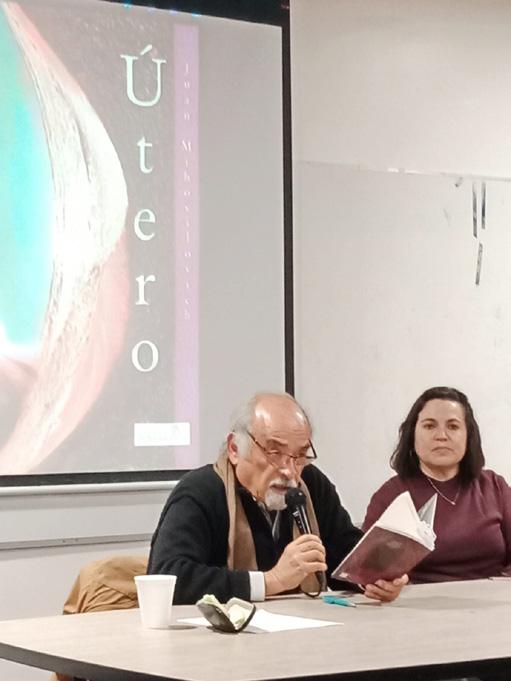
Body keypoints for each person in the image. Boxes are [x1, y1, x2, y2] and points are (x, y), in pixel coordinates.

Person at [148, 392, 407, 603]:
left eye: (300, 455)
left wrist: (376, 578)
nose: (289, 470)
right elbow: (167, 577)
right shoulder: (200, 491)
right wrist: (272, 581)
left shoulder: (311, 485)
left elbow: (345, 557)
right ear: (235, 448)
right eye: (274, 452)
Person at [363, 386, 511, 583]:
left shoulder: (494, 487)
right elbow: (369, 571)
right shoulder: (391, 495)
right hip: (417, 600)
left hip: (493, 597)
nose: (441, 435)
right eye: (429, 426)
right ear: (412, 434)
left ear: (468, 435)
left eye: (453, 426)